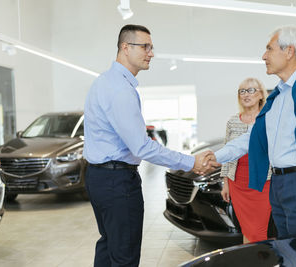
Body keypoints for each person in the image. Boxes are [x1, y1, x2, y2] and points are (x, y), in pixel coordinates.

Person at [83, 24, 219, 267]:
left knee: (109, 244)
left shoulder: (104, 81)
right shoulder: (120, 89)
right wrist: (191, 161)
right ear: (125, 47)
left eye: (151, 47)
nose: (151, 53)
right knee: (124, 254)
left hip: (99, 178)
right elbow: (142, 147)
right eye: (145, 46)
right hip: (117, 182)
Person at [210, 26, 296, 239]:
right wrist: (215, 156)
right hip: (278, 185)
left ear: (289, 51)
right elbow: (255, 137)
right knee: (288, 251)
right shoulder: (279, 96)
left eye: (269, 49)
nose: (264, 56)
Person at [220, 77, 271, 243]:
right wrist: (226, 182)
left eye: (251, 90)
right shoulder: (233, 121)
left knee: (259, 229)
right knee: (247, 228)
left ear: (261, 95)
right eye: (242, 91)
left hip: (263, 181)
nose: (246, 94)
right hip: (238, 182)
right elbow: (228, 152)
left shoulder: (268, 118)